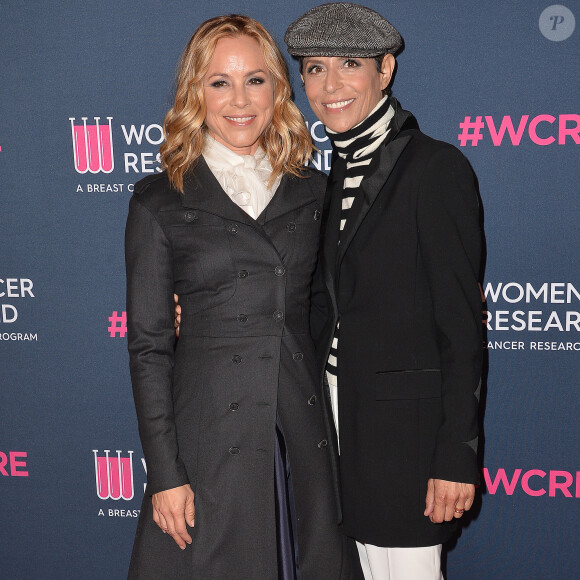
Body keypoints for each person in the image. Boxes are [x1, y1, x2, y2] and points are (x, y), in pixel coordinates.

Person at [125, 14, 354, 579]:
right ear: (194, 92)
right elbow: (149, 347)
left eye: (255, 79)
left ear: (278, 88)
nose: (239, 100)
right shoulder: (161, 200)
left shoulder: (315, 190)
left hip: (299, 433)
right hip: (208, 441)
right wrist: (166, 473)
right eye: (219, 81)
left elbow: (334, 310)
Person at [284, 3, 484, 579]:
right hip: (340, 424)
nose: (330, 85)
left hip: (411, 443)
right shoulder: (328, 179)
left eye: (349, 64)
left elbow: (462, 330)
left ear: (386, 70)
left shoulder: (435, 169)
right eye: (315, 69)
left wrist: (455, 458)